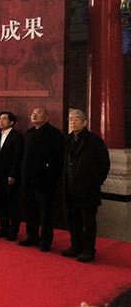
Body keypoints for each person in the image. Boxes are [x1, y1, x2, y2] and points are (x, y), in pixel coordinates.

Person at [60, 109, 110, 262]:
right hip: (70, 187)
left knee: (88, 221)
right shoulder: (67, 140)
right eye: (70, 120)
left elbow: (104, 165)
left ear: (84, 122)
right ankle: (75, 246)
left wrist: (94, 182)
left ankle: (88, 249)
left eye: (76, 119)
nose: (72, 122)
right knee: (73, 219)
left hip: (88, 188)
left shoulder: (94, 141)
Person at [19, 107, 63, 252]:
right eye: (32, 113)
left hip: (45, 181)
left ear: (46, 117)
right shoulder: (29, 133)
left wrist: (51, 177)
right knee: (30, 209)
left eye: (38, 114)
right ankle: (31, 236)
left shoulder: (54, 134)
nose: (34, 115)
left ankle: (45, 241)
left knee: (45, 213)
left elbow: (58, 159)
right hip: (28, 179)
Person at [0, 111, 24, 240]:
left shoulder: (17, 136)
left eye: (4, 119)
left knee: (12, 203)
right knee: (1, 202)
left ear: (11, 122)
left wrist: (13, 174)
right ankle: (3, 227)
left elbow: (18, 157)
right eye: (0, 119)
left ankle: (14, 230)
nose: (1, 121)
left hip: (11, 175)